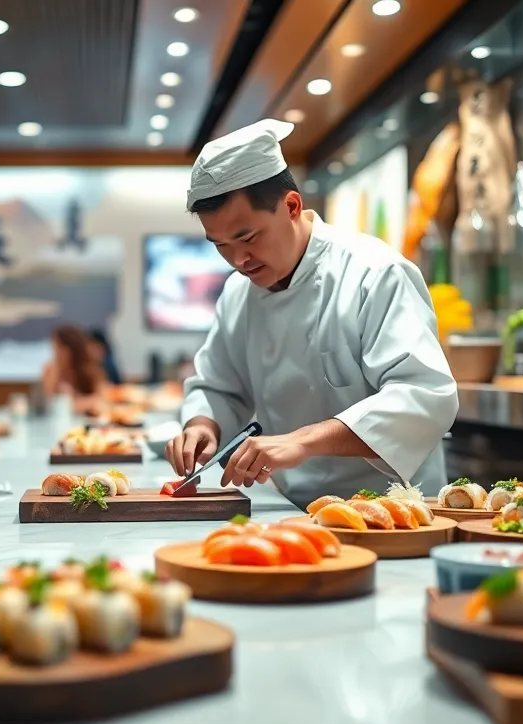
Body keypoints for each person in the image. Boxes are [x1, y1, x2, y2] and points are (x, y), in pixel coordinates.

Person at [165, 119, 458, 508]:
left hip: (388, 509)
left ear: (291, 206)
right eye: (219, 245)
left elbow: (423, 396)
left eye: (247, 237)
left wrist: (302, 441)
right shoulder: (238, 292)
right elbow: (219, 385)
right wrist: (203, 423)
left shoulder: (374, 272)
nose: (237, 260)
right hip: (288, 506)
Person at [41, 325, 107, 412]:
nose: (55, 352)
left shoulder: (90, 369)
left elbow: (103, 399)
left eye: (58, 347)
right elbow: (50, 404)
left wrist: (71, 401)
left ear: (71, 349)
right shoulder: (51, 370)